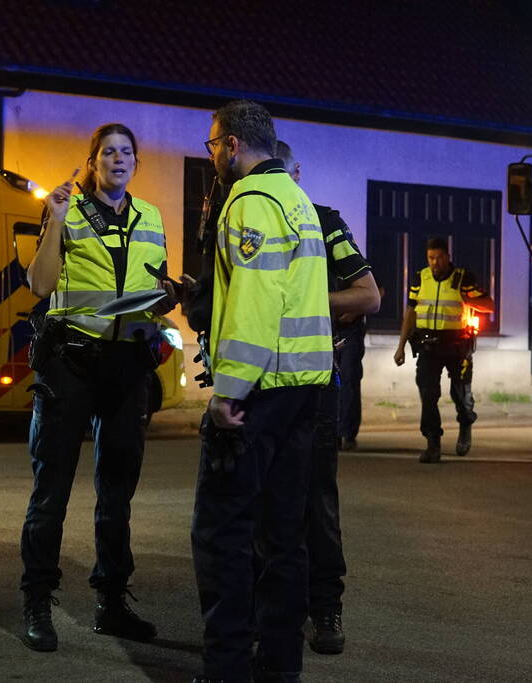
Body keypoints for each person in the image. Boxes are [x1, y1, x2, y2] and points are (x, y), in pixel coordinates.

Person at [190, 100, 333, 683]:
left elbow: (254, 302)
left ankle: (225, 671)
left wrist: (228, 391)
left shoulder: (249, 202)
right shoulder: (299, 201)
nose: (212, 157)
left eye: (211, 147)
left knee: (222, 536)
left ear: (229, 144)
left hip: (258, 396)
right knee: (286, 539)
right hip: (305, 392)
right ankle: (280, 669)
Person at [19, 123, 176, 652]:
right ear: (91, 161)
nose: (118, 159)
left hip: (127, 365)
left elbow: (154, 286)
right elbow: (40, 286)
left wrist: (167, 299)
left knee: (117, 493)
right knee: (52, 488)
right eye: (108, 152)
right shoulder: (65, 208)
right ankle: (37, 599)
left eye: (127, 152)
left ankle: (111, 601)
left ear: (136, 163)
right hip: (71, 362)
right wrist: (54, 222)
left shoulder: (151, 216)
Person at [275, 140, 379, 655]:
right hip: (258, 382)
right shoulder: (238, 217)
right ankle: (271, 610)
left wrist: (305, 303)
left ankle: (325, 607)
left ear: (295, 170)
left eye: (282, 171)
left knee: (317, 501)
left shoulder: (322, 221)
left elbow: (368, 296)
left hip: (314, 382)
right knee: (259, 503)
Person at [393, 237, 494, 463]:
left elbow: (489, 305)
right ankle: (432, 443)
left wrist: (467, 298)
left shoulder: (462, 278)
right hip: (429, 344)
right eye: (431, 258)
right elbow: (410, 313)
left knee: (460, 393)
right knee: (428, 394)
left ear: (448, 257)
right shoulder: (421, 278)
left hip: (457, 344)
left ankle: (465, 424)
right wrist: (400, 346)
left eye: (439, 257)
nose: (434, 262)